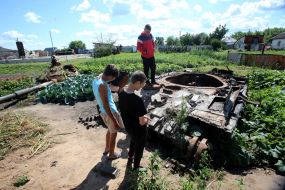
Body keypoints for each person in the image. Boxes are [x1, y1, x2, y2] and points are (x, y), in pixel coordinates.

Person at [118, 71, 150, 170]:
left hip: (128, 126)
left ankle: (130, 158)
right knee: (139, 147)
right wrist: (147, 119)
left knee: (133, 141)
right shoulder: (137, 100)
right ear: (137, 83)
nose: (143, 86)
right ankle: (136, 167)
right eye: (143, 84)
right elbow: (141, 122)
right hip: (138, 129)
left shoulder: (122, 91)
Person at [92, 64, 125, 160]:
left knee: (110, 130)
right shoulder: (102, 86)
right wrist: (115, 121)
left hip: (103, 111)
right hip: (110, 112)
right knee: (114, 132)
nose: (113, 79)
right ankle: (111, 154)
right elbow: (106, 106)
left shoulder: (96, 79)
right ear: (110, 76)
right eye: (113, 78)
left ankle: (107, 148)